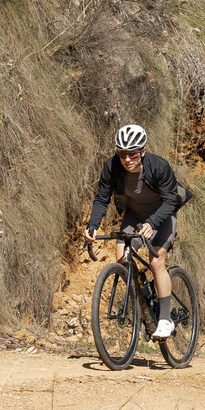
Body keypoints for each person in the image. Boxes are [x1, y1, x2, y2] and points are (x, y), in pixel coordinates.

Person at [85, 124, 182, 338]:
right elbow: (102, 198)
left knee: (156, 262)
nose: (127, 159)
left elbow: (170, 201)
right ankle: (144, 300)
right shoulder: (112, 167)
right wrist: (92, 226)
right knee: (122, 258)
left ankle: (165, 318)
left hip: (162, 215)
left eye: (133, 153)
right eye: (122, 154)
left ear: (143, 151)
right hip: (134, 215)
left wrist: (153, 222)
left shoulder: (159, 166)